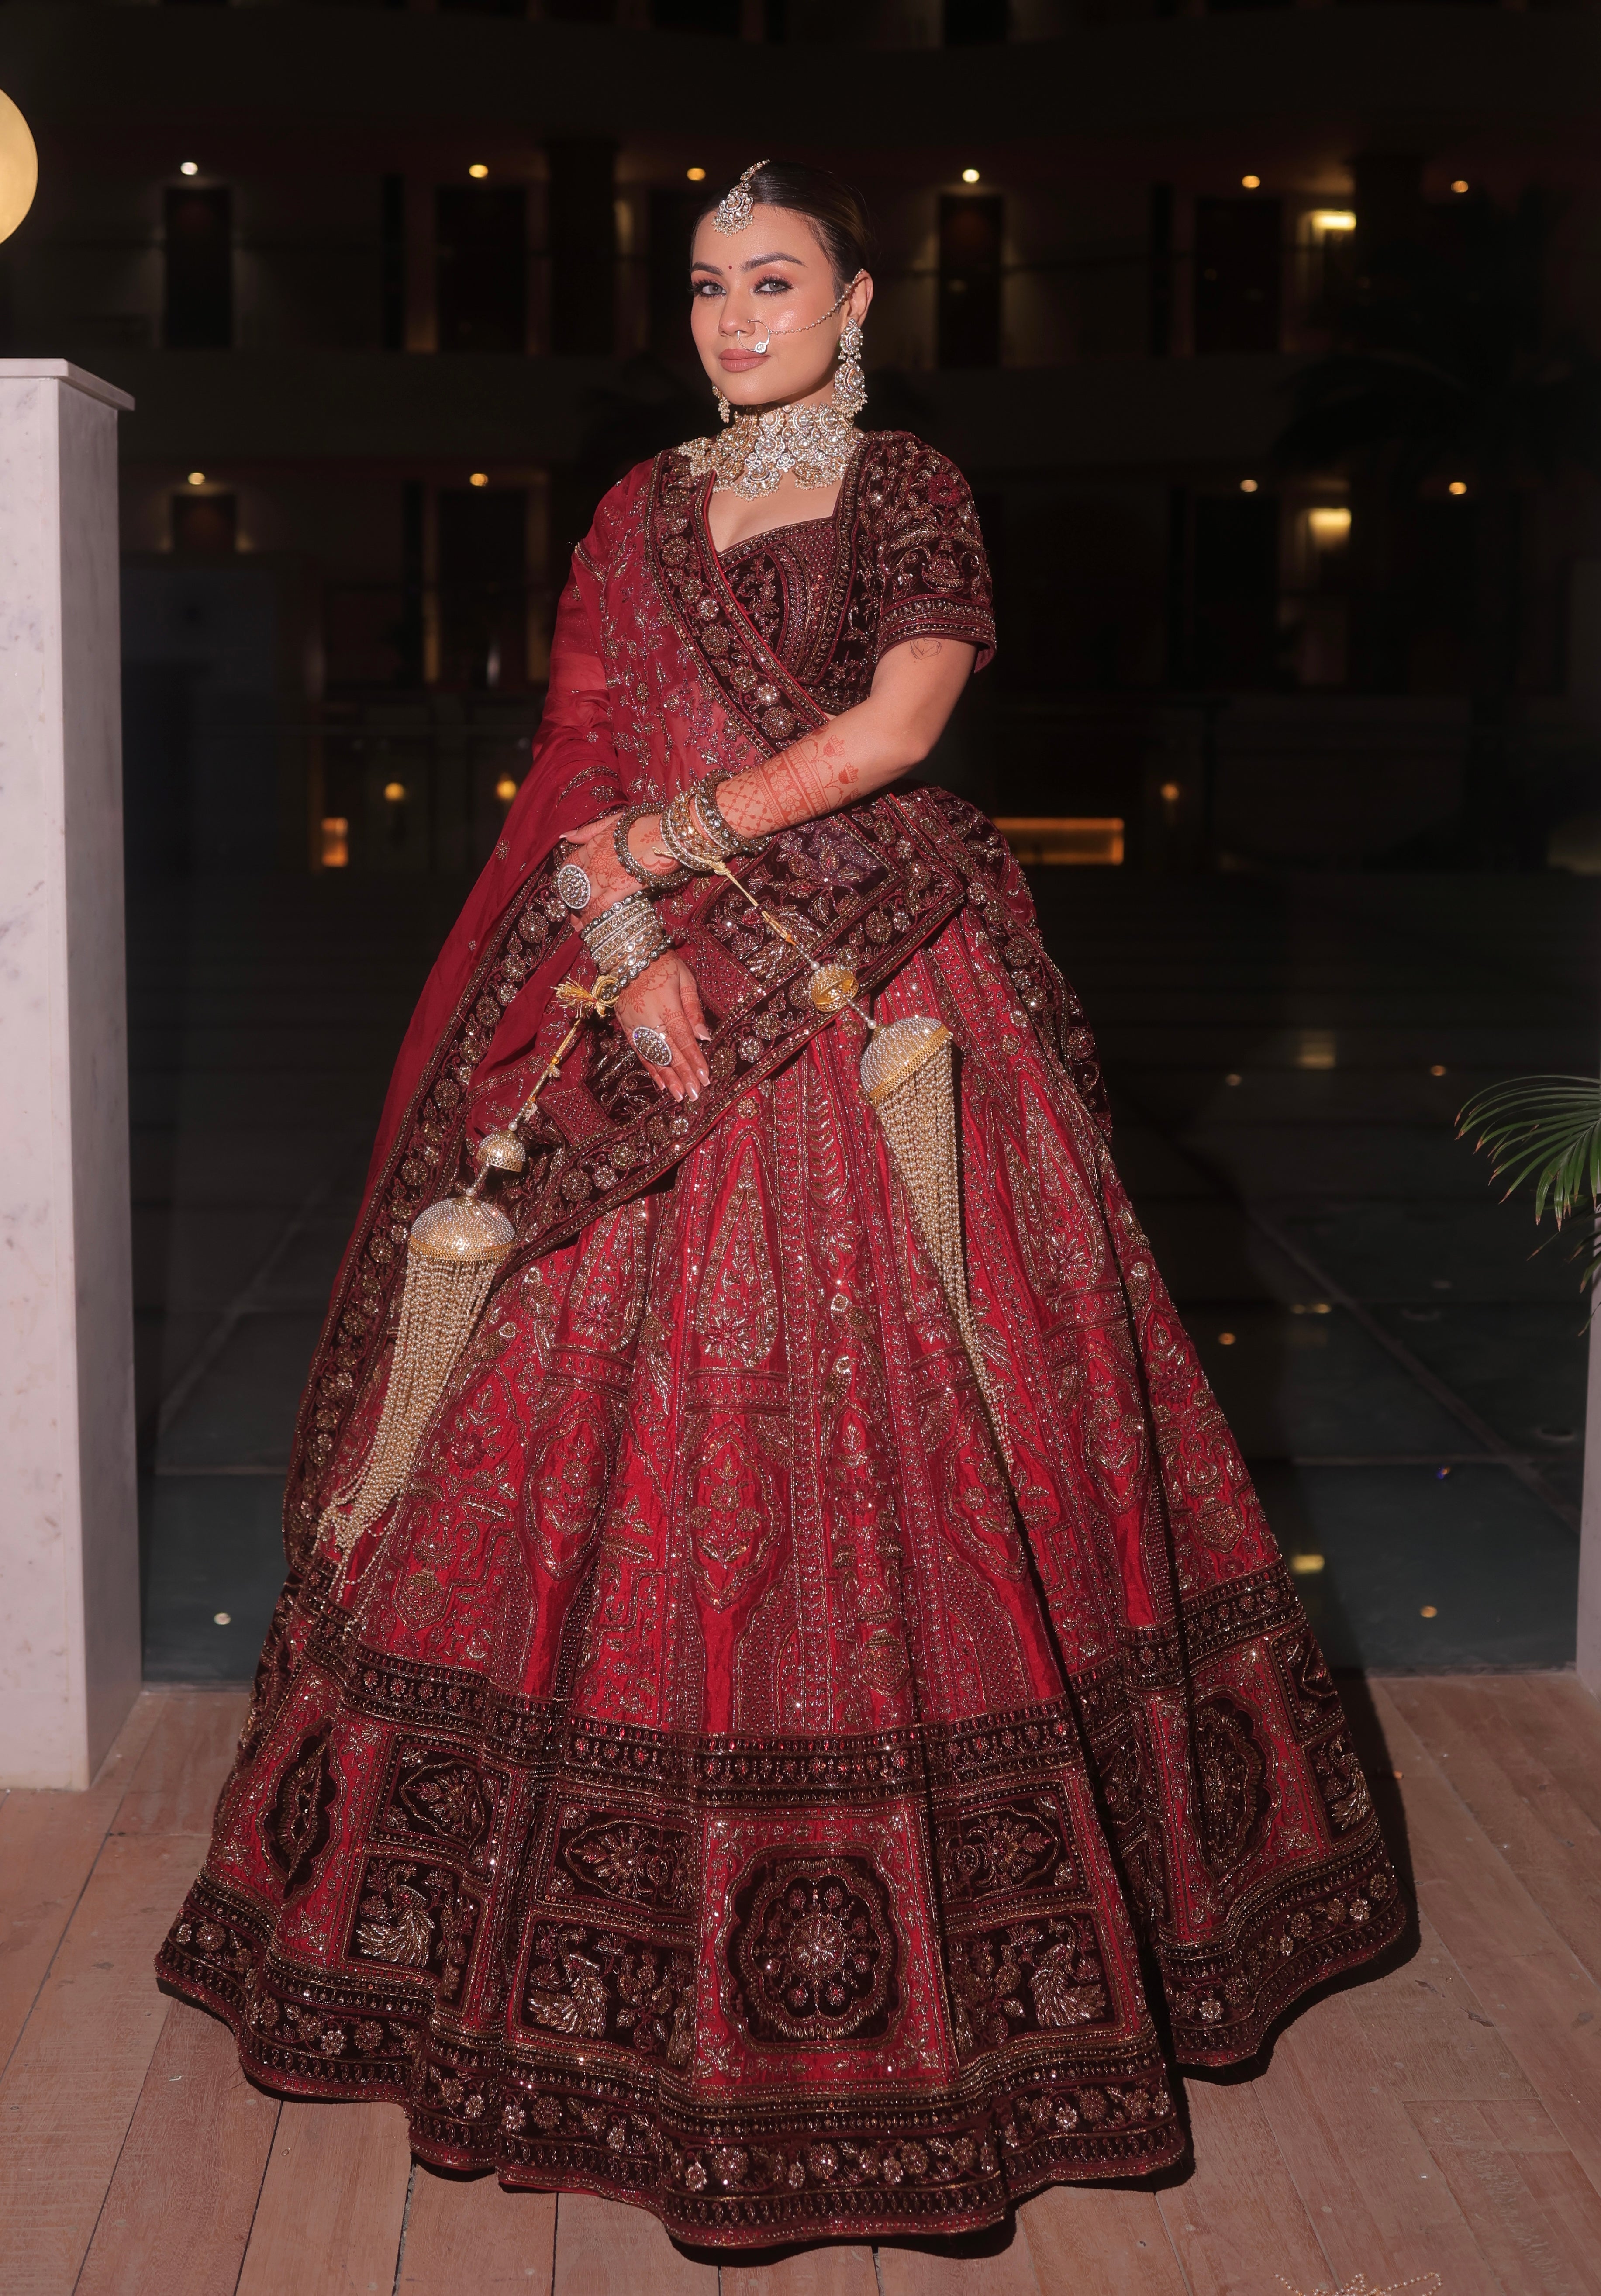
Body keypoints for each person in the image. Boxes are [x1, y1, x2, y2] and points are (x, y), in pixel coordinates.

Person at [157, 160, 1401, 2248]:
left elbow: (907, 720)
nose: (736, 318)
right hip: (649, 975)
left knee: (927, 1420)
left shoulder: (906, 479)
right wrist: (607, 914)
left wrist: (668, 843)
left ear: (852, 300)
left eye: (775, 281)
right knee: (561, 1419)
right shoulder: (636, 513)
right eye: (709, 288)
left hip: (873, 985)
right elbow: (566, 760)